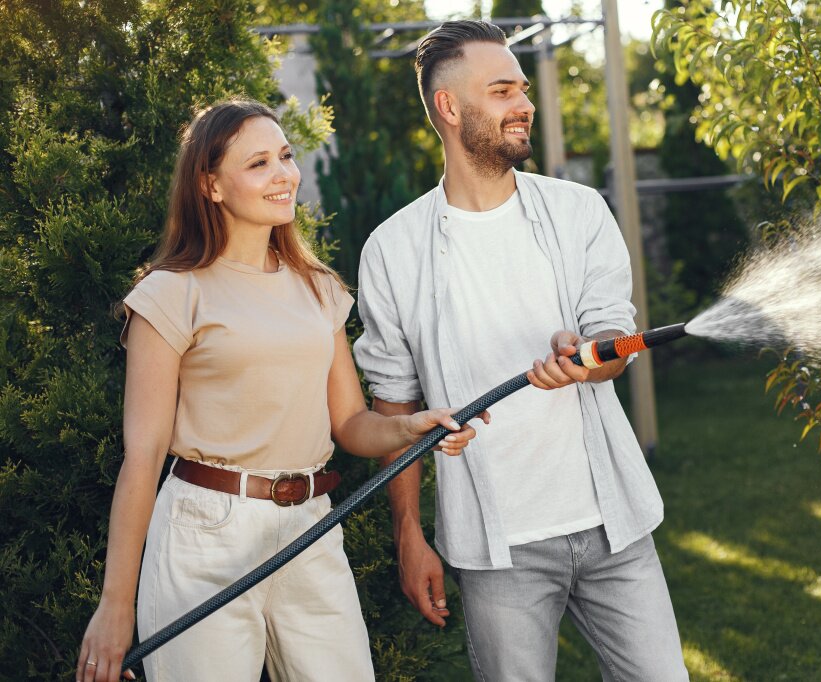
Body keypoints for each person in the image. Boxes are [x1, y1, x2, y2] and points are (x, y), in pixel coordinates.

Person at [75, 98, 486, 682]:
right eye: (259, 163)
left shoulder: (317, 287)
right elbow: (142, 457)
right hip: (203, 532)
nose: (284, 174)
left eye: (287, 157)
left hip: (309, 527)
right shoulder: (170, 294)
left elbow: (348, 422)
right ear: (210, 185)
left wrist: (406, 426)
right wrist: (116, 605)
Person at [354, 20, 689, 682]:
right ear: (450, 108)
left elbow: (612, 338)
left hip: (612, 528)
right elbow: (392, 403)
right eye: (503, 90)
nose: (524, 104)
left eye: (523, 89)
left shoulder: (578, 212)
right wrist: (408, 535)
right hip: (496, 551)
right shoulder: (392, 251)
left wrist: (587, 354)